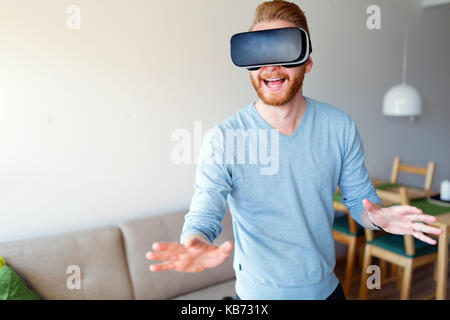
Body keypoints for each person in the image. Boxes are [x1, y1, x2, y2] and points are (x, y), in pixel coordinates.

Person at [145, 0, 442, 300]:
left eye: (284, 54)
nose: (270, 68)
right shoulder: (224, 139)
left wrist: (379, 217)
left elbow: (360, 202)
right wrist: (194, 241)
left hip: (327, 291)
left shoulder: (339, 126)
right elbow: (204, 211)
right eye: (260, 56)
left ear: (307, 62)